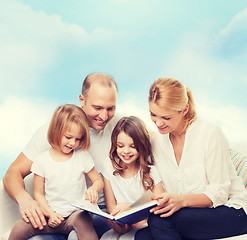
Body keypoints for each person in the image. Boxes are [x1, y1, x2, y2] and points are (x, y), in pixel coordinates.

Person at [3, 73, 120, 240]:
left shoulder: (118, 123)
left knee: (76, 234)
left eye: (111, 108)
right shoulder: (53, 132)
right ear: (82, 100)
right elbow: (12, 173)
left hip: (95, 211)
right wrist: (25, 200)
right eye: (98, 108)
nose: (104, 116)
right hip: (54, 212)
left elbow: (147, 136)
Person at [135, 77, 247, 240]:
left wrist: (181, 201)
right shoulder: (157, 142)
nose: (158, 123)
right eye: (153, 114)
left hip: (232, 211)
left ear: (184, 109)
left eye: (166, 118)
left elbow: (219, 193)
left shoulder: (210, 133)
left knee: (160, 222)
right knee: (142, 237)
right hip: (191, 215)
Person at [8, 104, 104, 240]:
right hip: (51, 215)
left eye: (78, 139)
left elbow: (98, 181)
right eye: (68, 137)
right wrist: (50, 214)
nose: (73, 143)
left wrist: (94, 189)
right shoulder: (42, 160)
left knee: (83, 220)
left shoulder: (81, 156)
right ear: (56, 131)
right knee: (19, 228)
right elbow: (38, 194)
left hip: (75, 215)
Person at [101, 116, 164, 240]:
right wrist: (117, 222)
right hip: (121, 224)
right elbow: (111, 206)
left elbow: (159, 207)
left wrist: (129, 207)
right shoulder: (108, 165)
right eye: (120, 146)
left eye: (133, 146)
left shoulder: (151, 171)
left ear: (141, 145)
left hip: (145, 225)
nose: (126, 151)